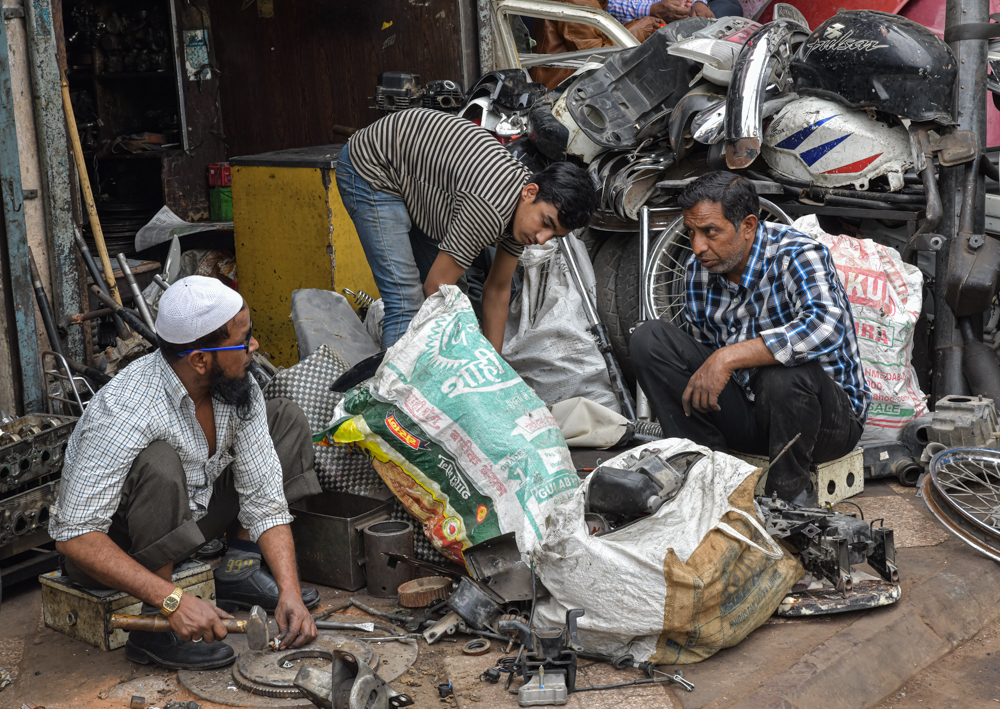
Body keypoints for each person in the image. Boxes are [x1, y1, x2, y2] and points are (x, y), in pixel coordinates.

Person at [50, 276, 321, 670]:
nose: (255, 347)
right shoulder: (126, 407)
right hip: (114, 551)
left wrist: (289, 592)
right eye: (243, 341)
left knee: (286, 418)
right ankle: (152, 630)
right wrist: (172, 601)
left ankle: (241, 569)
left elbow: (264, 496)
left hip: (187, 523)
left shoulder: (235, 387)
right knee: (160, 462)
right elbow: (74, 537)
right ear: (199, 359)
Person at [630, 172, 870, 506]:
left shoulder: (797, 254)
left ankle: (790, 495)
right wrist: (714, 362)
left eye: (710, 231)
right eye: (691, 233)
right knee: (648, 338)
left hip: (824, 424)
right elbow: (703, 367)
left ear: (748, 225)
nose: (698, 246)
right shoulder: (698, 269)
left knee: (784, 374)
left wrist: (728, 357)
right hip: (752, 417)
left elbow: (828, 327)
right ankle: (706, 472)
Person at [336, 108, 597, 351]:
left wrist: (493, 369)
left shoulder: (524, 211)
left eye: (554, 235)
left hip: (419, 179)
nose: (541, 239)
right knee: (407, 304)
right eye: (546, 224)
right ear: (530, 192)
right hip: (374, 168)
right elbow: (436, 287)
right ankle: (391, 398)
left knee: (454, 299)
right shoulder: (489, 209)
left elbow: (497, 289)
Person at [529, 0, 662, 88]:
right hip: (560, 90)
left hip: (577, 85)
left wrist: (638, 27)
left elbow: (599, 40)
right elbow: (597, 61)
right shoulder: (579, 2)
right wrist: (638, 29)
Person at [606, 0, 745, 23]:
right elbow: (605, 6)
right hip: (640, 21)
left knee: (731, 7)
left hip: (683, 13)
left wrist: (698, 3)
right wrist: (651, 10)